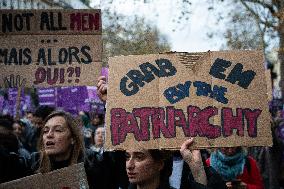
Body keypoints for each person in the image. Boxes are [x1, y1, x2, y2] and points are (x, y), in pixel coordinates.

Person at [28, 110, 122, 189]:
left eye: (58, 130)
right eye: (45, 131)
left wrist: (109, 102)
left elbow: (116, 160)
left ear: (72, 138)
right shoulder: (34, 162)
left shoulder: (92, 162)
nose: (49, 135)